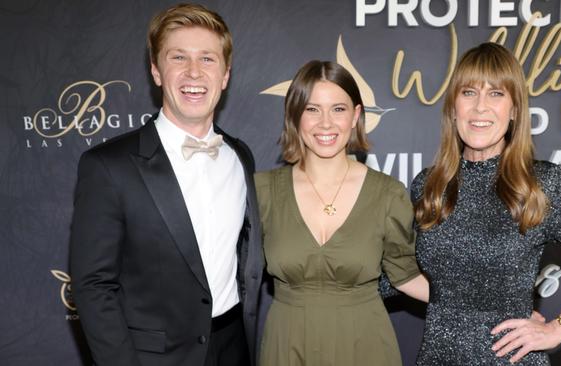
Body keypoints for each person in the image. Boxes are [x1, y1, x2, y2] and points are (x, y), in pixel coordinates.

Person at [411, 42, 561, 365]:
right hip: (437, 356)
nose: (480, 107)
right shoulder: (428, 186)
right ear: (453, 106)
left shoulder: (541, 184)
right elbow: (396, 275)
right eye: (469, 92)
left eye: (496, 94)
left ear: (514, 110)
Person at [70, 4, 263, 366]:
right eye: (179, 57)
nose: (194, 72)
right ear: (157, 71)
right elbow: (93, 286)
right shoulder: (108, 167)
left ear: (225, 75)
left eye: (208, 59)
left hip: (234, 348)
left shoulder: (240, 156)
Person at [255, 60, 429, 366]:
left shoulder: (387, 193)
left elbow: (406, 276)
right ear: (294, 116)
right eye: (312, 109)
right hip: (286, 347)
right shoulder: (263, 192)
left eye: (338, 109)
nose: (326, 123)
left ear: (356, 116)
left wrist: (494, 307)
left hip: (366, 346)